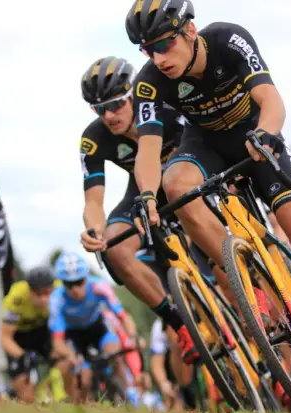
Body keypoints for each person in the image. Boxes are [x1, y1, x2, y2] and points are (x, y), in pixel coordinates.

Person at [124, 0, 291, 397]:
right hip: (207, 143)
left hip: (255, 134)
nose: (158, 58)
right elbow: (148, 151)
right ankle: (247, 278)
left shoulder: (228, 39)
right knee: (175, 186)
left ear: (189, 32)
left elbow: (272, 101)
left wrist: (266, 134)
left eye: (163, 44)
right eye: (148, 50)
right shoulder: (149, 82)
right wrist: (146, 196)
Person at [76, 56, 199, 364]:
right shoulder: (93, 139)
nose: (109, 115)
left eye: (116, 104)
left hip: (189, 178)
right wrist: (95, 230)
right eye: (99, 109)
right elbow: (93, 201)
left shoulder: (165, 110)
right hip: (143, 191)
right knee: (115, 249)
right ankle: (180, 325)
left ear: (132, 95)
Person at [49, 251, 133, 403]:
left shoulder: (99, 287)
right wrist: (70, 357)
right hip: (74, 336)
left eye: (79, 282)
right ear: (62, 283)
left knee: (115, 354)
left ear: (86, 278)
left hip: (98, 330)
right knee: (82, 379)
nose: (75, 288)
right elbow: (58, 342)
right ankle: (77, 406)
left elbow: (123, 317)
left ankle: (129, 396)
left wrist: (132, 338)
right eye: (69, 284)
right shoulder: (57, 299)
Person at [1, 266, 70, 403]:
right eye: (38, 294)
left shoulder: (60, 290)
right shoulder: (17, 297)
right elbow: (4, 337)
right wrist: (22, 356)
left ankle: (61, 398)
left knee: (63, 358)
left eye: (47, 293)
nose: (44, 298)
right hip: (19, 336)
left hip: (43, 331)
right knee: (25, 390)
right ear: (29, 290)